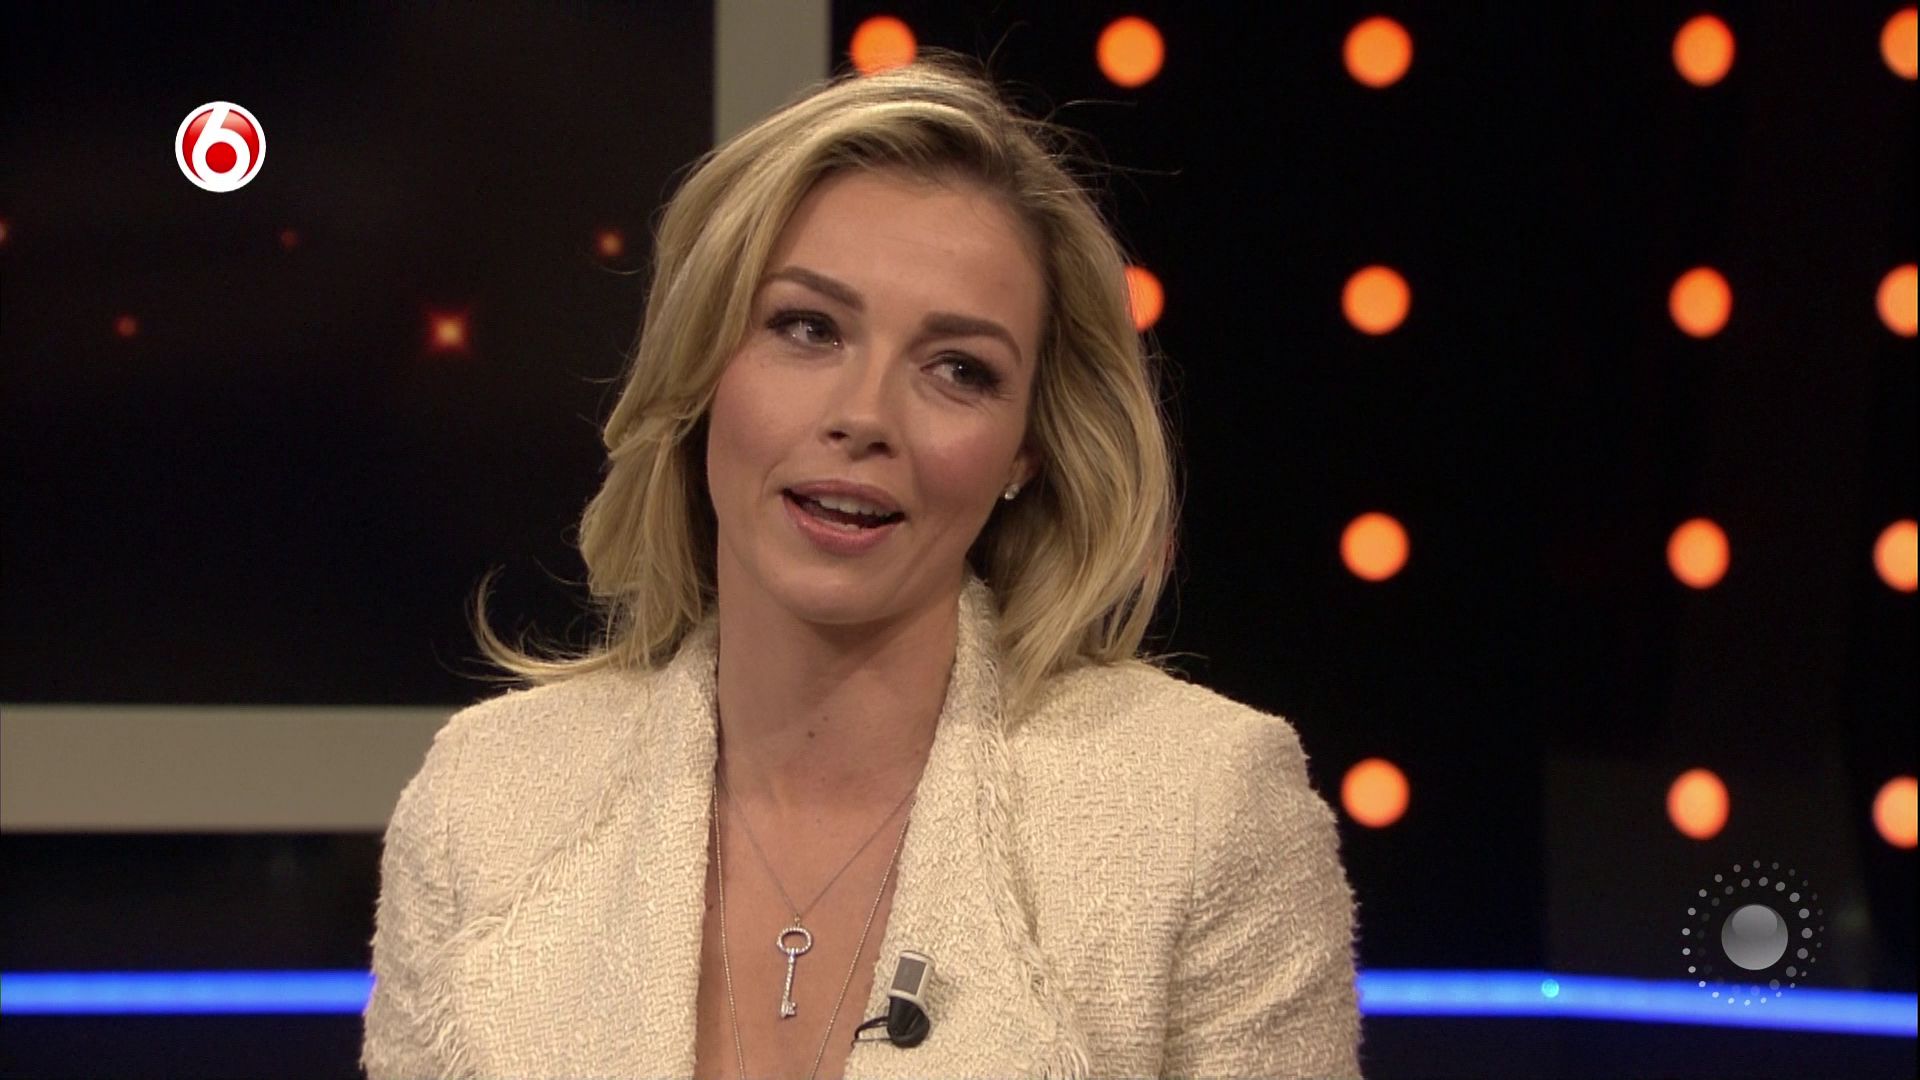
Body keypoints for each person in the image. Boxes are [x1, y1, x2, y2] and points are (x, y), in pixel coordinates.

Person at [361, 49, 1362, 1080]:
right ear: (703, 368)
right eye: (808, 328)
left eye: (959, 369)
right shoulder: (489, 801)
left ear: (1026, 448)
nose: (864, 416)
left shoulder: (1200, 809)